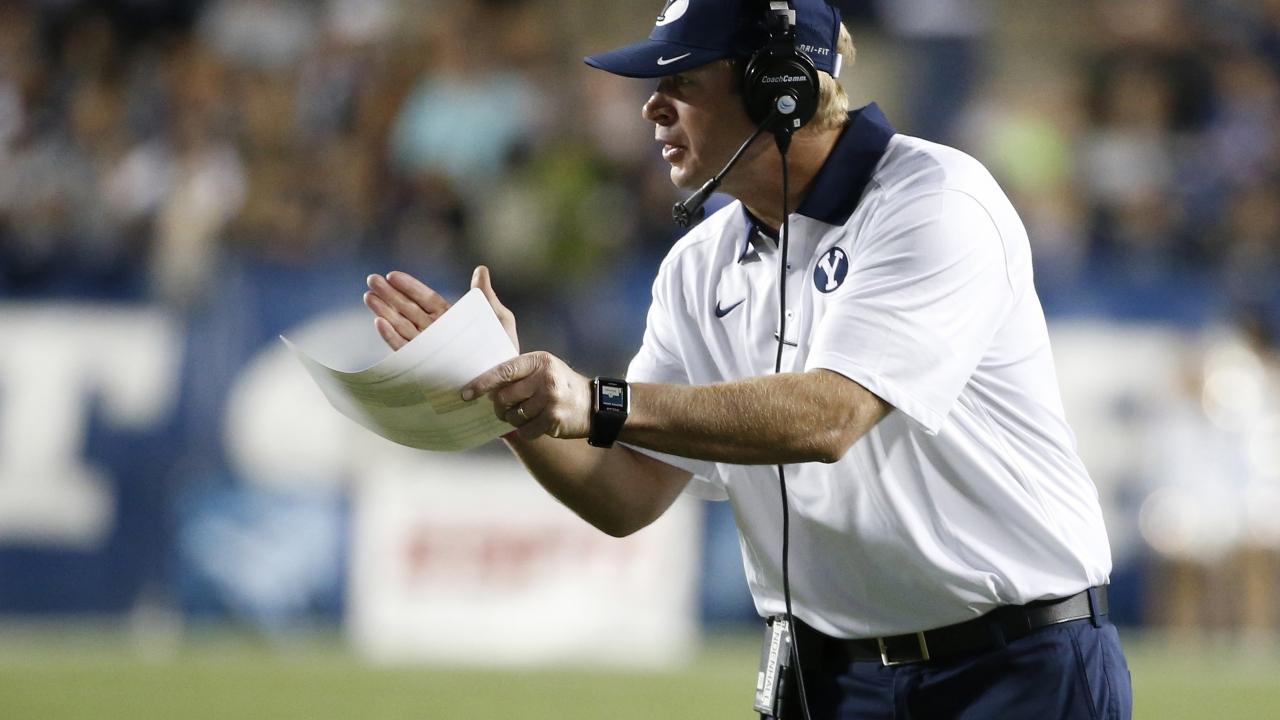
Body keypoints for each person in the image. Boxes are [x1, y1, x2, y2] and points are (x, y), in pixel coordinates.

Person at [362, 0, 1133, 717]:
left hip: (1016, 664)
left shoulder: (934, 199)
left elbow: (830, 417)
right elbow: (628, 494)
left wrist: (598, 401)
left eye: (683, 82)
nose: (651, 107)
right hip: (831, 678)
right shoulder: (699, 265)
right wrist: (505, 399)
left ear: (779, 90)